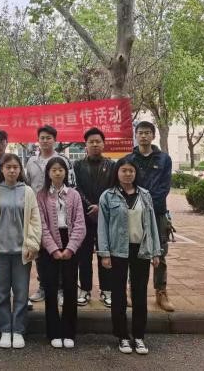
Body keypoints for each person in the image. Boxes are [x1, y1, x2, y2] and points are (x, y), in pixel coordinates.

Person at [97, 158, 161, 355]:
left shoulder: (145, 195)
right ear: (117, 173)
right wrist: (104, 253)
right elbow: (102, 227)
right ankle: (122, 336)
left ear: (135, 173)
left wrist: (155, 251)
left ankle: (139, 336)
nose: (127, 174)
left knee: (140, 294)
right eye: (123, 170)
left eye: (131, 171)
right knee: (118, 295)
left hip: (141, 250)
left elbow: (152, 224)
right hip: (117, 251)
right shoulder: (108, 196)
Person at [0, 153, 41, 349]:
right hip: (0, 253)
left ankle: (19, 330)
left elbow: (35, 220)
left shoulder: (28, 192)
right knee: (2, 293)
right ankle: (5, 329)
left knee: (22, 294)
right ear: (2, 170)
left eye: (15, 167)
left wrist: (33, 244)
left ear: (20, 170)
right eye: (8, 167)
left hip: (22, 252)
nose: (12, 170)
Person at [125, 121, 174, 312]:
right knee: (134, 252)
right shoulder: (130, 158)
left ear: (153, 136)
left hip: (158, 212)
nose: (144, 136)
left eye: (147, 132)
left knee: (159, 253)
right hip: (134, 212)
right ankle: (132, 289)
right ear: (136, 135)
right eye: (140, 132)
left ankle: (161, 291)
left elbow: (164, 186)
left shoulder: (164, 159)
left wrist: (148, 204)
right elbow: (127, 183)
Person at [37, 157, 86, 349]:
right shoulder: (41, 195)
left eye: (61, 169)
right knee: (50, 288)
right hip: (49, 246)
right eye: (54, 170)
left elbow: (80, 224)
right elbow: (41, 225)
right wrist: (53, 249)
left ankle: (69, 331)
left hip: (70, 242)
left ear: (66, 172)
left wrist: (70, 247)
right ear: (48, 173)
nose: (57, 173)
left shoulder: (74, 194)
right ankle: (53, 332)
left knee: (70, 287)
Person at [25, 124, 75, 304]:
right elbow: (28, 184)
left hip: (59, 211)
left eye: (49, 138)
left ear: (55, 140)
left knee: (60, 248)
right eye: (42, 138)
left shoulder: (63, 160)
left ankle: (60, 289)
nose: (45, 141)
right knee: (40, 250)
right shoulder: (31, 161)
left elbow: (71, 185)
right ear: (38, 140)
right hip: (36, 210)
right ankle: (43, 286)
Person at [73, 127, 115, 307]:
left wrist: (100, 206)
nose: (95, 144)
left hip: (105, 217)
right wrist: (90, 205)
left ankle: (107, 290)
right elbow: (76, 188)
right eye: (91, 142)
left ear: (103, 144)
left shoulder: (112, 166)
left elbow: (113, 188)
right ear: (86, 145)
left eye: (98, 141)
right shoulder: (77, 165)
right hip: (84, 216)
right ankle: (85, 289)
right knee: (84, 256)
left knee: (105, 254)